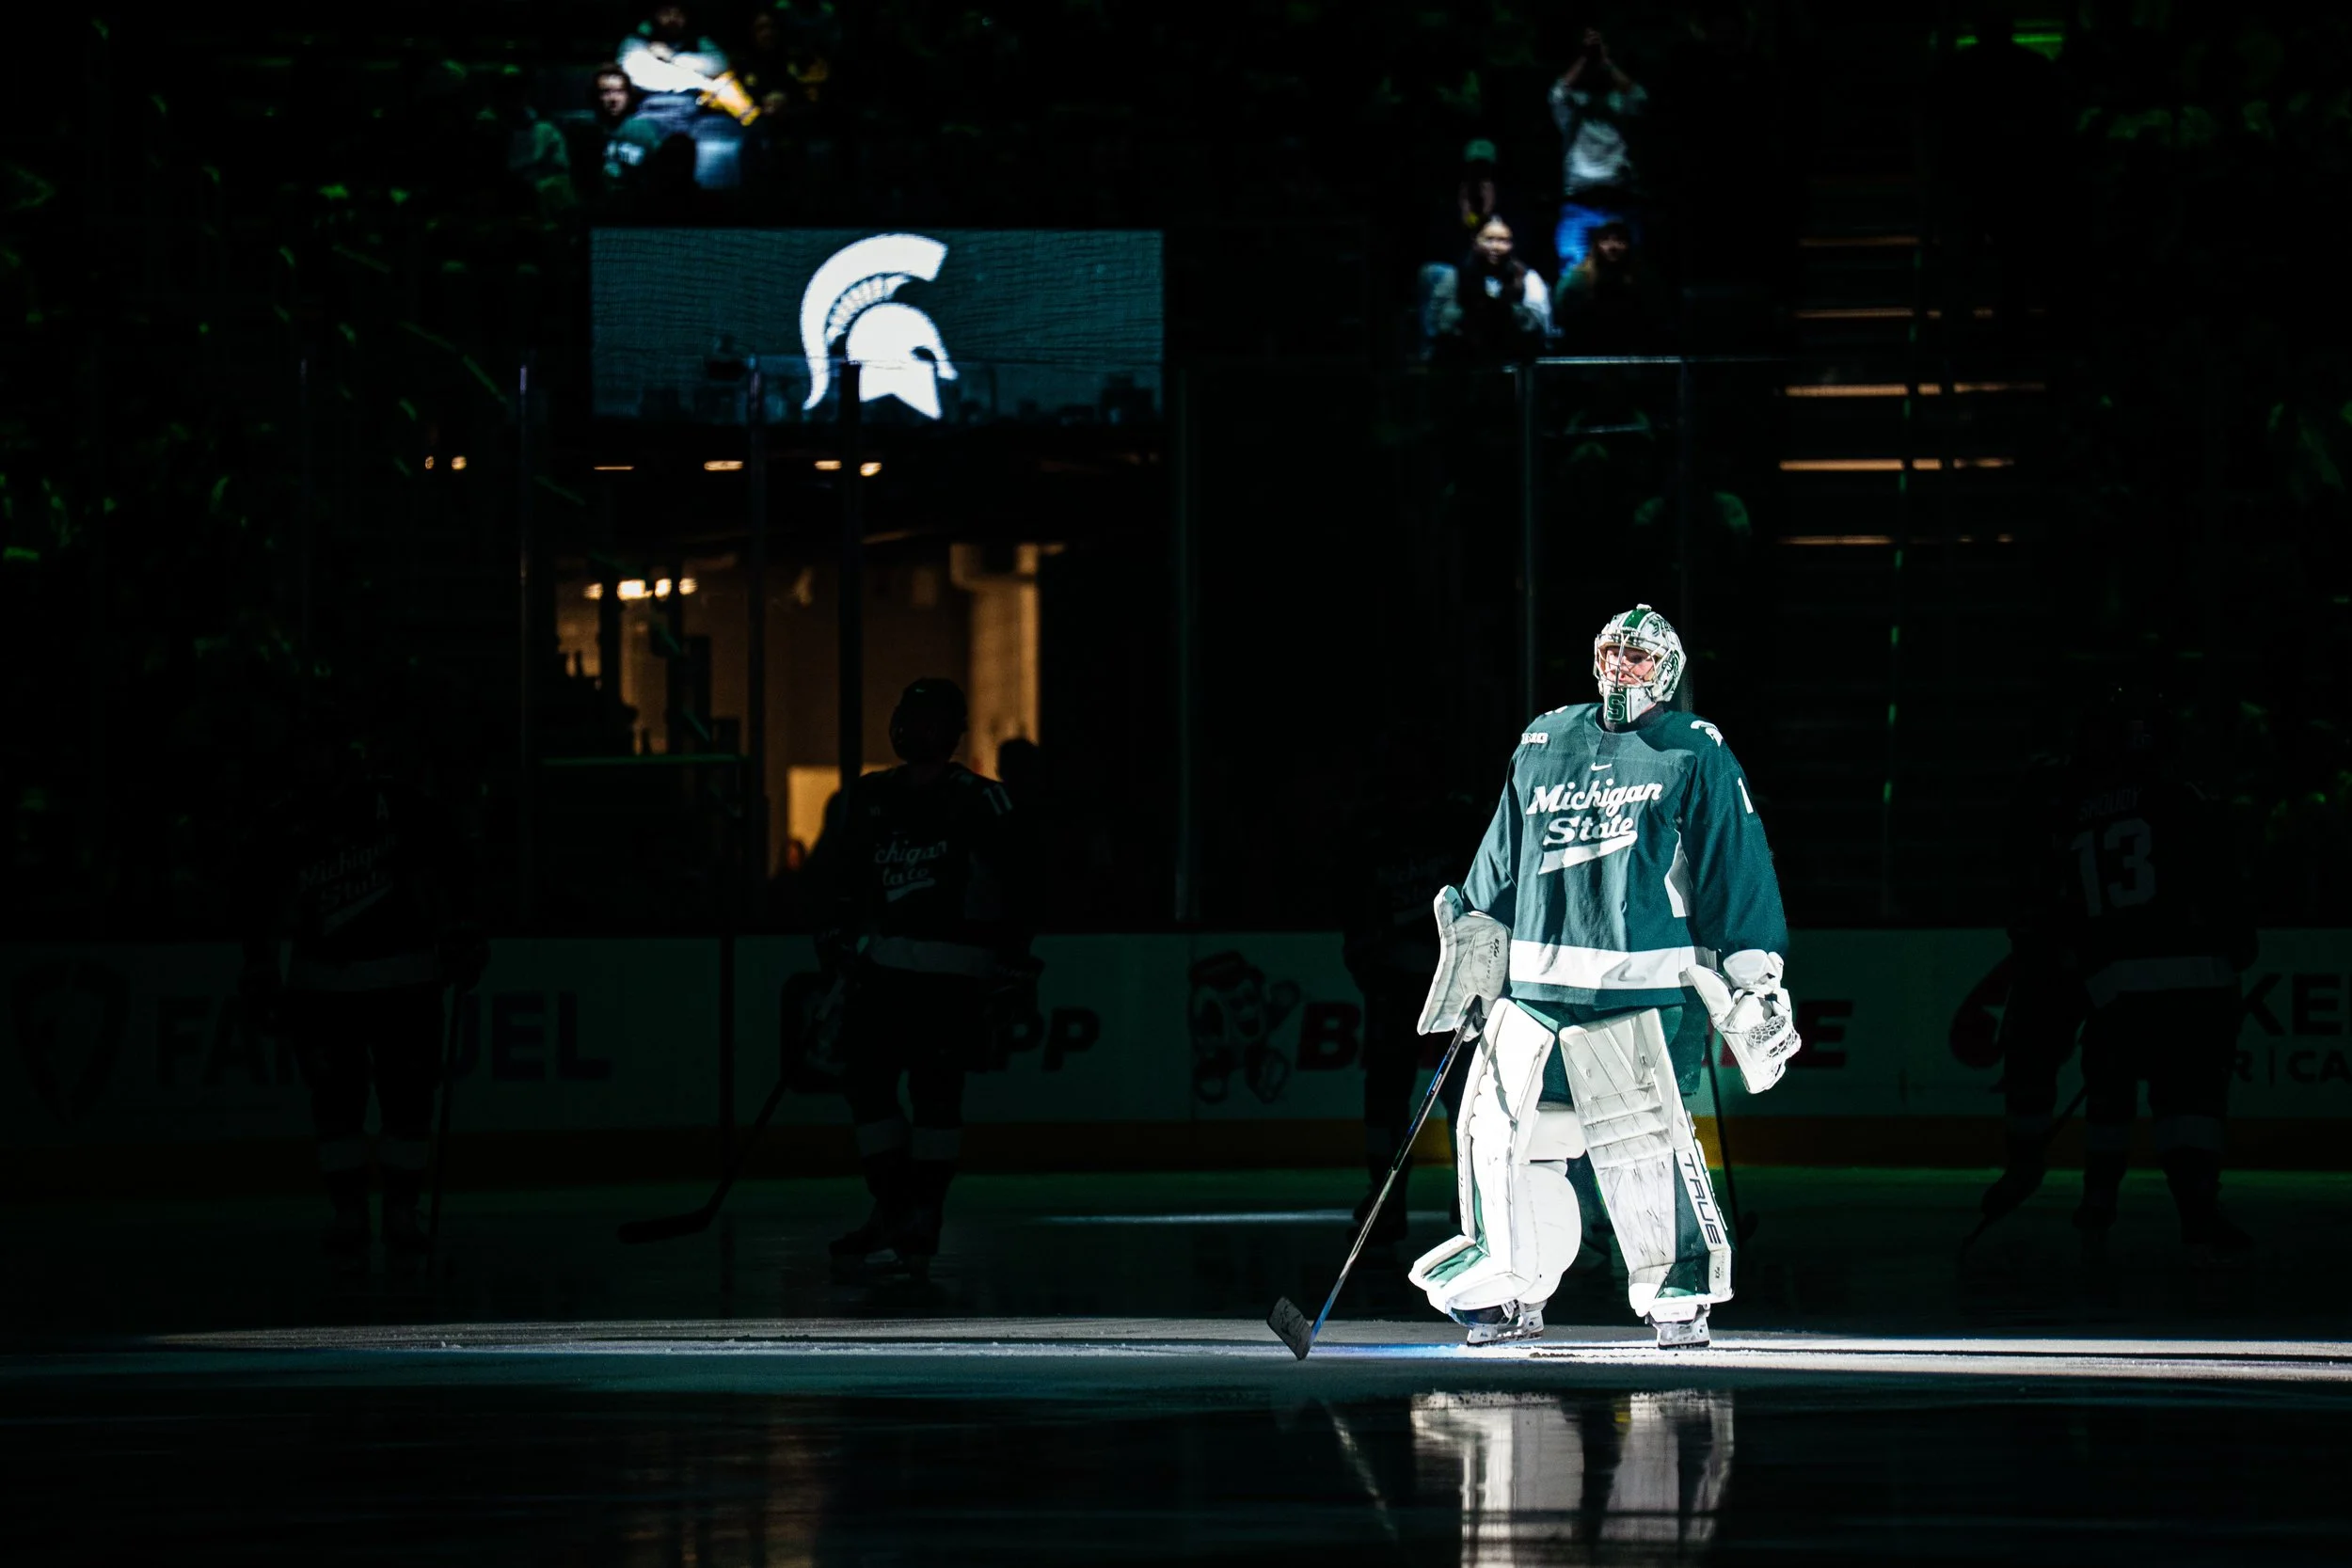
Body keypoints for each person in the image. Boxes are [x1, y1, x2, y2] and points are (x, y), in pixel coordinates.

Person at [1409, 605, 1801, 1348]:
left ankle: (1675, 1288)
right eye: (1612, 651)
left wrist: (1754, 982)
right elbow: (1499, 865)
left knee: (1641, 1145)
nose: (1622, 666)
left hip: (1644, 1001)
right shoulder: (1544, 739)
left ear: (1670, 670)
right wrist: (1472, 958)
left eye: (1640, 656)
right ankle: (1509, 1276)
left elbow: (1734, 873)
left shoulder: (1695, 750)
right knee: (1498, 1138)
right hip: (1532, 1000)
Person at [240, 710, 485, 1269]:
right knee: (335, 1107)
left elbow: (454, 867)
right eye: (302, 751)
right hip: (324, 990)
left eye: (318, 749)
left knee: (407, 1102)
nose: (308, 763)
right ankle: (351, 1212)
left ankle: (399, 1210)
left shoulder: (401, 807)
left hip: (404, 982)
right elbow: (258, 903)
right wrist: (259, 966)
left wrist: (463, 931)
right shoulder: (282, 825)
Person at [810, 679, 1035, 1278]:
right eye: (912, 716)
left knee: (935, 1094)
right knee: (869, 1085)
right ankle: (896, 1207)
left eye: (929, 719)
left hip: (952, 977)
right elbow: (845, 876)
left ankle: (920, 1213)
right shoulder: (872, 795)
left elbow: (1021, 885)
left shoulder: (984, 801)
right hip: (885, 971)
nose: (919, 730)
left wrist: (1011, 962)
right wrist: (834, 932)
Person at [2049, 688, 2256, 1259]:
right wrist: (2239, 940)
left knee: (2110, 1100)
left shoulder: (2080, 809)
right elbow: (2218, 878)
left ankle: (2097, 1204)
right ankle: (2197, 1209)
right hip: (2189, 981)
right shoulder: (2182, 799)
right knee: (2188, 1104)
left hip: (2114, 987)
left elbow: (2066, 904)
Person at [1341, 789, 1484, 1243]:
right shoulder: (1371, 831)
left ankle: (1471, 1200)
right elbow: (1356, 909)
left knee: (1466, 1094)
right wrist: (1368, 962)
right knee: (1384, 1096)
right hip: (1393, 985)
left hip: (1455, 982)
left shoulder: (1461, 823)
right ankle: (1384, 1200)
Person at [617, 3, 752, 188]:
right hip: (653, 111)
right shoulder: (636, 41)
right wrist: (700, 78)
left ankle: (714, 204)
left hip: (699, 111)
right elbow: (640, 76)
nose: (673, 18)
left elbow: (719, 65)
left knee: (727, 134)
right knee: (633, 131)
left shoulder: (700, 41)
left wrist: (672, 57)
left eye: (678, 12)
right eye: (666, 12)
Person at [1549, 27, 1649, 274]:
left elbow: (1639, 97)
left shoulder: (1619, 101)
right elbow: (1557, 93)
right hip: (1579, 199)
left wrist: (1604, 59)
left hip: (1620, 198)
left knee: (1630, 270)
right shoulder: (1573, 107)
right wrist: (1586, 57)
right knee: (1573, 269)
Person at [1430, 217, 1552, 363]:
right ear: (1475, 241)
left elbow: (1537, 328)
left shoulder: (1527, 278)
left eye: (1503, 241)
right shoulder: (1455, 276)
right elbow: (1441, 325)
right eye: (1489, 239)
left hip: (1511, 357)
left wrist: (1506, 307)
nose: (1496, 246)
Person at [1552, 218, 1670, 354]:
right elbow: (1564, 316)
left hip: (1636, 349)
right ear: (1596, 245)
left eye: (1620, 240)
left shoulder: (1646, 279)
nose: (1612, 247)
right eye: (1605, 240)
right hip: (1587, 348)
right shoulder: (1576, 279)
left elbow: (1658, 316)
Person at [589, 62, 665, 199]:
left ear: (628, 95)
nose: (613, 99)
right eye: (606, 92)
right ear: (596, 96)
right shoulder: (587, 133)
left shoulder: (643, 130)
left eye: (619, 91)